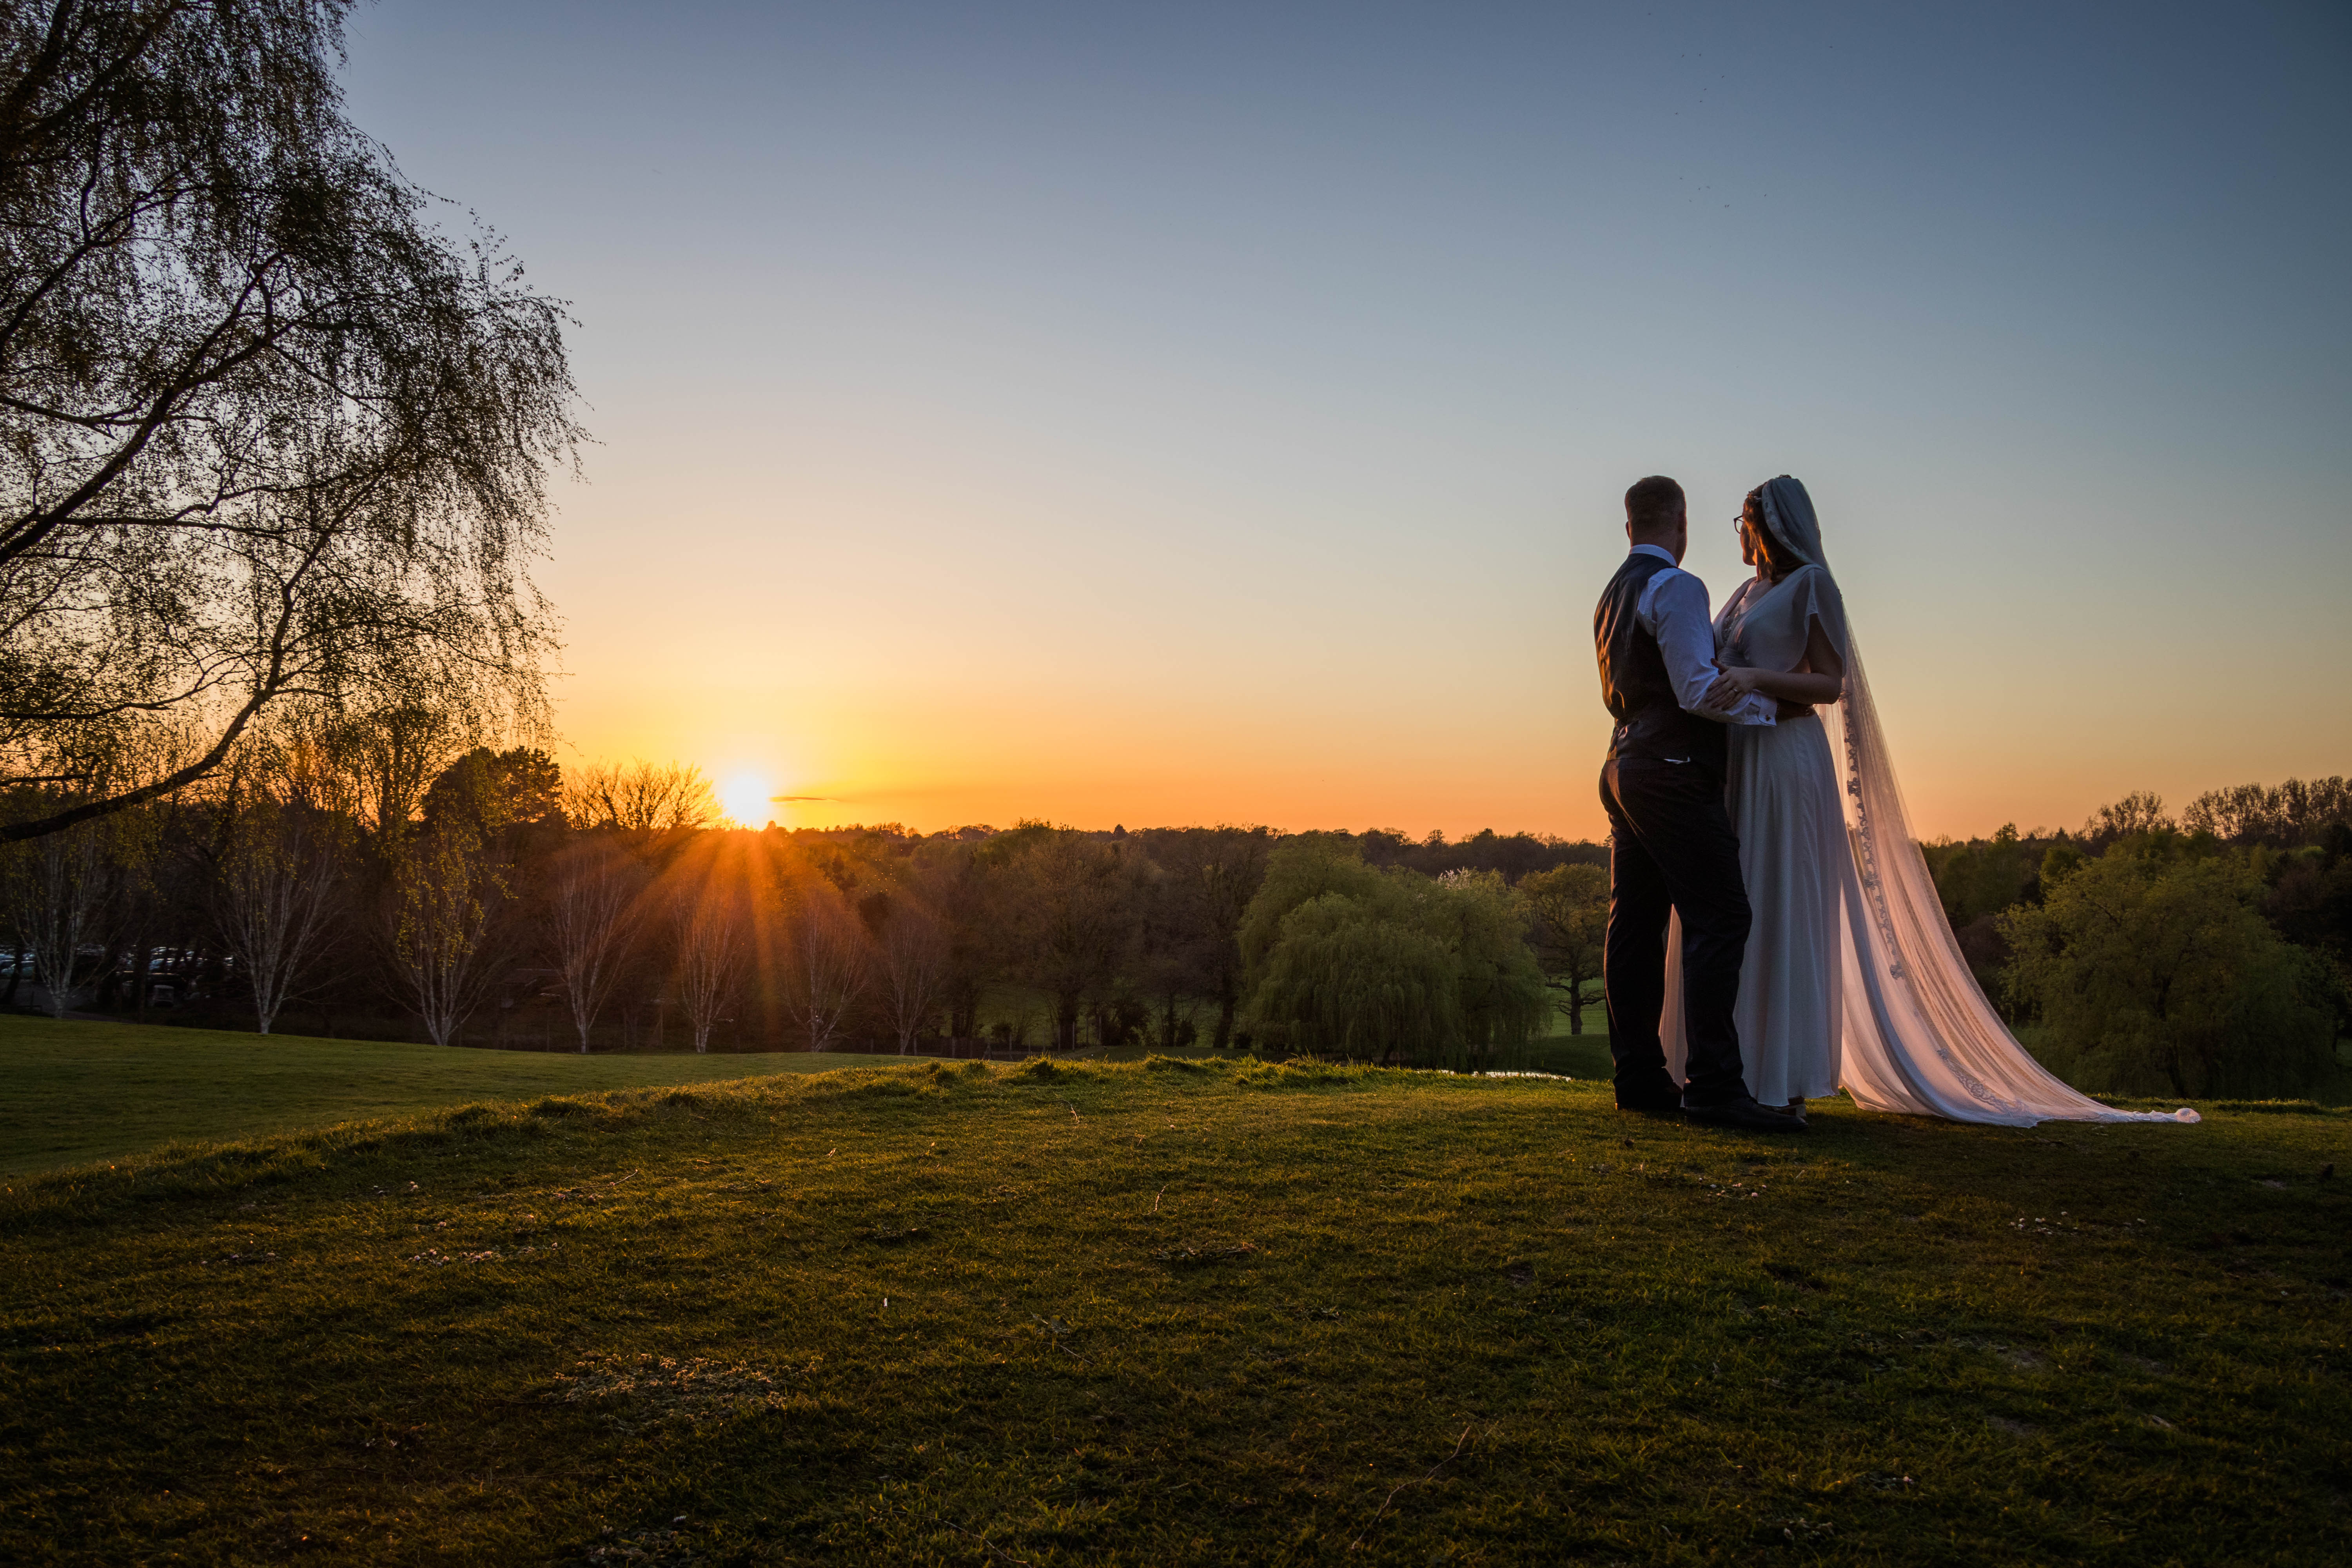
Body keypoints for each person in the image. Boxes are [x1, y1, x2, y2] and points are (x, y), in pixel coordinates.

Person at [1673, 475, 2198, 1128]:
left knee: (1783, 904)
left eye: (1745, 522)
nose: (1741, 534)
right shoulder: (1743, 593)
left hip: (1786, 759)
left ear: (1771, 526)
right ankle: (1729, 1073)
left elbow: (1831, 683)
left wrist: (1754, 676)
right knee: (1738, 907)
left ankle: (1783, 1080)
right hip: (1739, 759)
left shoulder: (1813, 585)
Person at [1592, 475, 1804, 1134]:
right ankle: (1714, 1087)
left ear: (1630, 527)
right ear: (1681, 524)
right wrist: (1776, 710)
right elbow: (1695, 689)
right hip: (1673, 771)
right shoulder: (1678, 586)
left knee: (1635, 926)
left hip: (1622, 766)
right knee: (1722, 917)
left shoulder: (1612, 594)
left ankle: (1639, 1079)